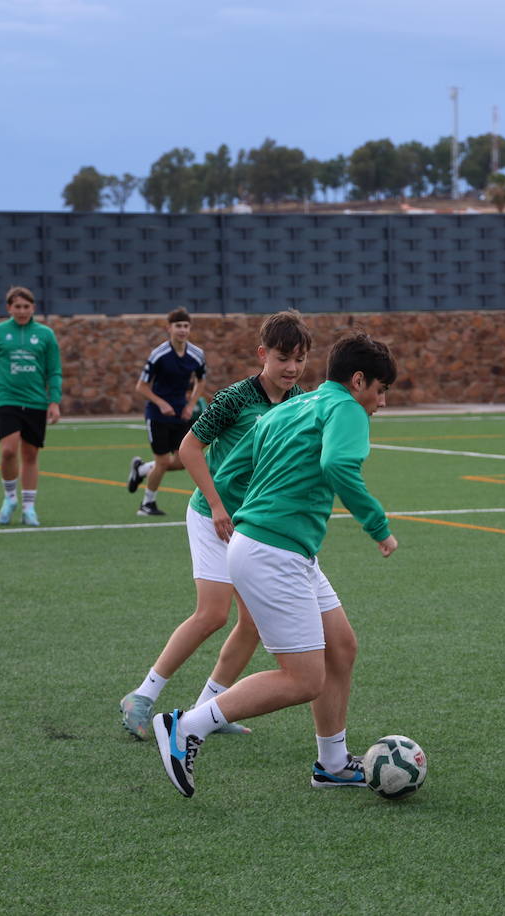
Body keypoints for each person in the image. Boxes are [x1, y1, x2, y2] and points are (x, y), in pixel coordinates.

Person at [152, 331, 398, 798]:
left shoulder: (291, 408)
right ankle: (186, 726)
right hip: (273, 552)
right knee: (303, 678)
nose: (381, 403)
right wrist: (378, 526)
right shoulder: (344, 407)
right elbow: (339, 465)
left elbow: (229, 470)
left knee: (340, 647)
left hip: (278, 548)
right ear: (358, 380)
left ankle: (331, 763)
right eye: (380, 390)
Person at [120, 310, 313, 742]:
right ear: (263, 354)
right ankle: (141, 696)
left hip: (252, 526)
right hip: (212, 516)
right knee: (212, 614)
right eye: (284, 357)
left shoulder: (300, 400)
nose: (292, 368)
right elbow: (190, 450)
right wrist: (218, 504)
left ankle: (209, 707)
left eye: (300, 359)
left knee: (253, 623)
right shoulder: (234, 399)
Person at [0, 286, 62, 528]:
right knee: (8, 451)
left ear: (33, 308)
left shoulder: (45, 335)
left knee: (30, 455)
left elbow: (54, 370)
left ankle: (29, 507)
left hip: (35, 402)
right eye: (17, 307)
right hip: (7, 399)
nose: (22, 311)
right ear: (9, 308)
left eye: (26, 307)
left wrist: (54, 401)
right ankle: (10, 498)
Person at [126, 308, 205, 517]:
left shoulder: (196, 355)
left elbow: (201, 381)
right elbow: (141, 386)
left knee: (182, 461)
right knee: (162, 462)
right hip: (158, 416)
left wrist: (191, 405)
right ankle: (147, 504)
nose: (182, 330)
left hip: (181, 415)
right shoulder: (159, 355)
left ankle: (141, 470)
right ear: (169, 328)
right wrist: (160, 403)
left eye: (186, 326)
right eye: (178, 326)